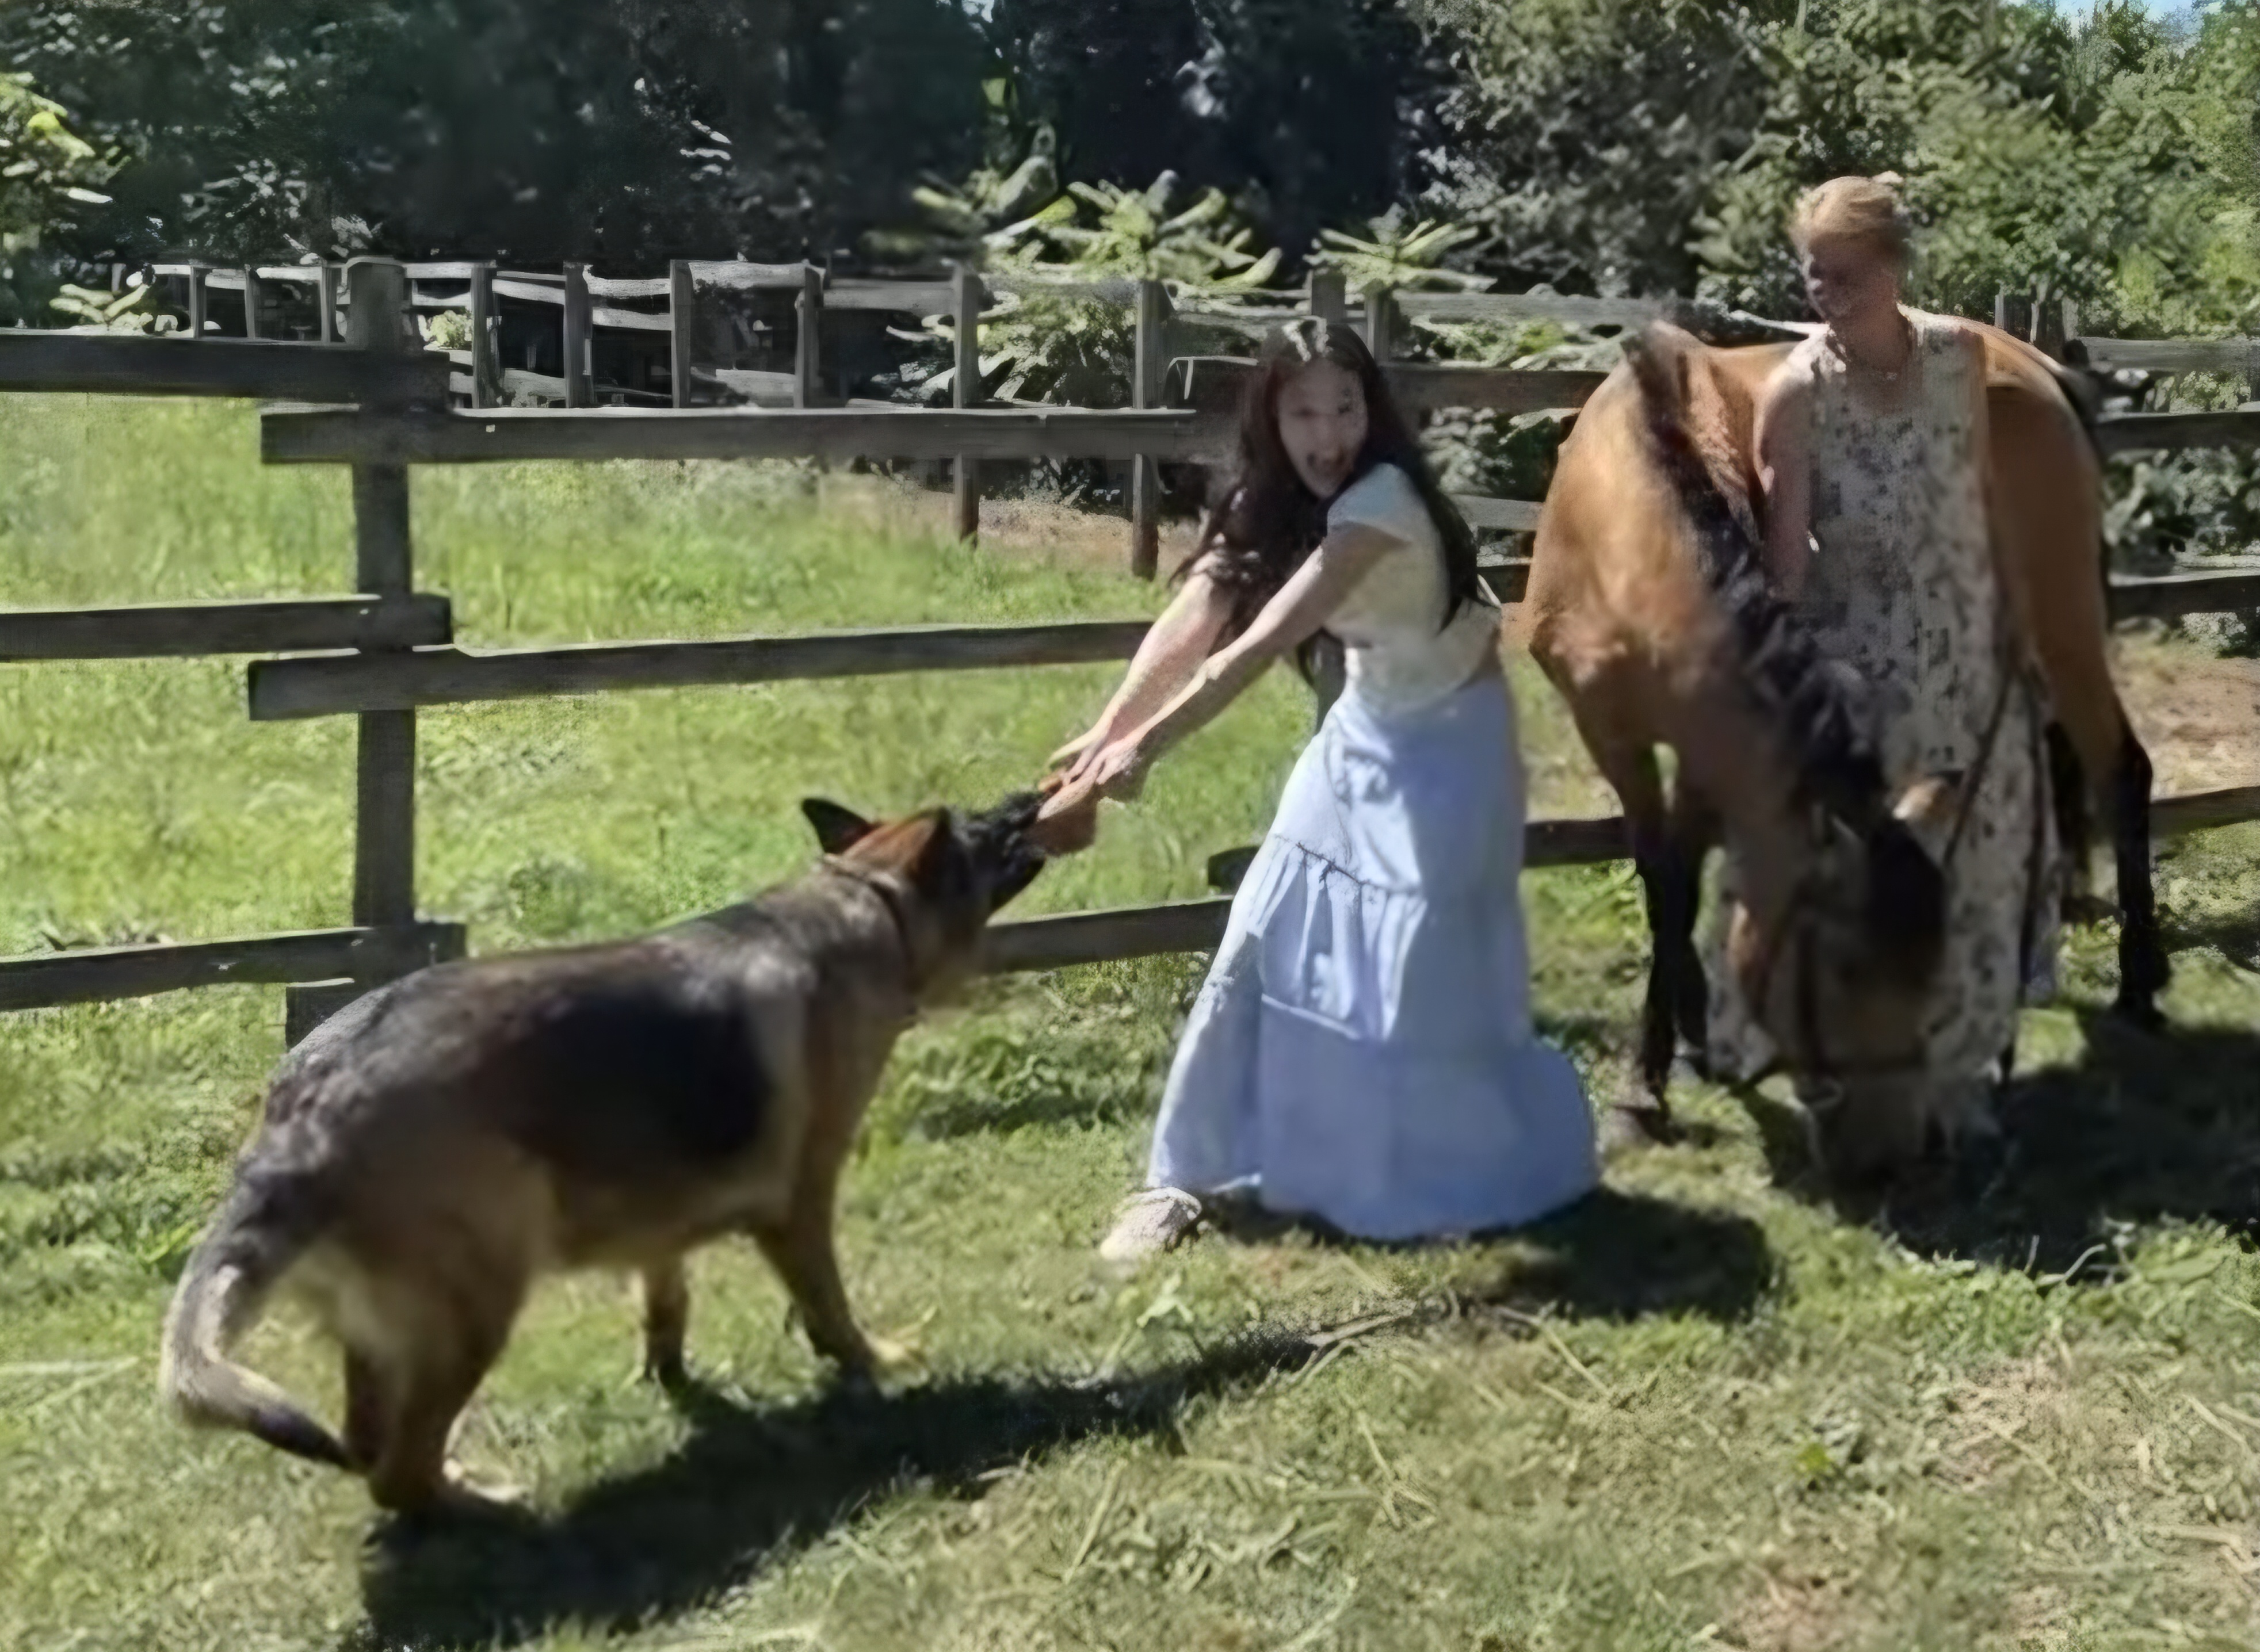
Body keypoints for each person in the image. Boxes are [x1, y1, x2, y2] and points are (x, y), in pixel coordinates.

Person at [1036, 319, 1597, 1266]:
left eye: (1345, 408)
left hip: (1453, 750)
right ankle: (1180, 1180)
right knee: (1258, 934)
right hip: (1365, 729)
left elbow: (1255, 646)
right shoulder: (1277, 492)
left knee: (1420, 976)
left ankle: (1429, 1163)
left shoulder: (1381, 499)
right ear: (1273, 416)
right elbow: (1202, 608)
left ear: (1372, 414)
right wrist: (1106, 729)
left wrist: (1147, 749)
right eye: (1304, 412)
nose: (1327, 433)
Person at [1709, 173, 2062, 1130]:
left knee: (1982, 872)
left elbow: (1984, 501)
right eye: (1813, 276)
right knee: (1874, 885)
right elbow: (1785, 569)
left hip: (1967, 644)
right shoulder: (1795, 394)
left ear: (1896, 265)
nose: (1824, 295)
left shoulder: (1959, 359)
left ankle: (1959, 1078)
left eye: (1845, 276)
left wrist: (2019, 622)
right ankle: (1837, 1054)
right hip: (1861, 670)